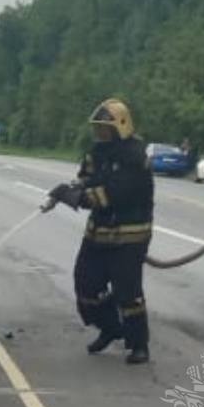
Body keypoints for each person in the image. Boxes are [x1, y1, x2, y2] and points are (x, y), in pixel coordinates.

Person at [46, 98, 153, 364]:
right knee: (85, 285)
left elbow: (113, 194)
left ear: (121, 126)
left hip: (129, 236)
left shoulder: (135, 157)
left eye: (104, 128)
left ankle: (138, 344)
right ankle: (110, 328)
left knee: (128, 293)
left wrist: (75, 197)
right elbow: (86, 178)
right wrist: (70, 188)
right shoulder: (97, 151)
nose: (100, 133)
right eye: (98, 128)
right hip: (98, 233)